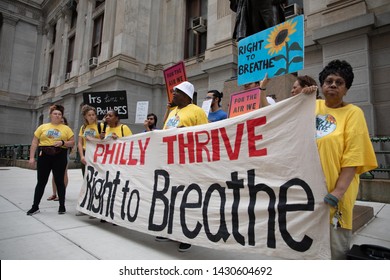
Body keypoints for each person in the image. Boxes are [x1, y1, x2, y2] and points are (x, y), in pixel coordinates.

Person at [311, 60, 377, 259]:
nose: (333, 85)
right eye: (329, 81)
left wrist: (337, 193)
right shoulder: (311, 106)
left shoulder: (353, 113)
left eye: (339, 82)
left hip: (335, 198)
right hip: (308, 193)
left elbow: (354, 156)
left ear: (346, 89)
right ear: (321, 86)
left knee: (335, 251)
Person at [159, 81, 209, 252]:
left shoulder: (197, 111)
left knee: (186, 199)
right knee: (170, 197)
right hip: (170, 162)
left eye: (176, 92)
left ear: (186, 95)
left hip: (187, 162)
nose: (173, 94)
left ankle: (187, 235)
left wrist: (184, 132)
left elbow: (205, 135)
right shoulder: (173, 111)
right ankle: (170, 231)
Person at [27, 104, 75, 215]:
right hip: (44, 154)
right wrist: (31, 157)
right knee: (41, 182)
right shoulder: (43, 127)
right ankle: (35, 206)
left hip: (60, 155)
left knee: (59, 181)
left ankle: (62, 206)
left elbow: (72, 142)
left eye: (59, 114)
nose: (57, 115)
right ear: (50, 115)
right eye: (55, 113)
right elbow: (34, 142)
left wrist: (63, 142)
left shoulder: (66, 128)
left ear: (62, 116)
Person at [47, 116, 71, 201]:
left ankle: (61, 194)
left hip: (63, 154)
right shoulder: (53, 130)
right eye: (60, 121)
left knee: (63, 174)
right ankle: (54, 194)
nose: (61, 123)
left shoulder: (67, 130)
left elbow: (72, 143)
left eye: (62, 122)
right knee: (54, 174)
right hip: (53, 154)